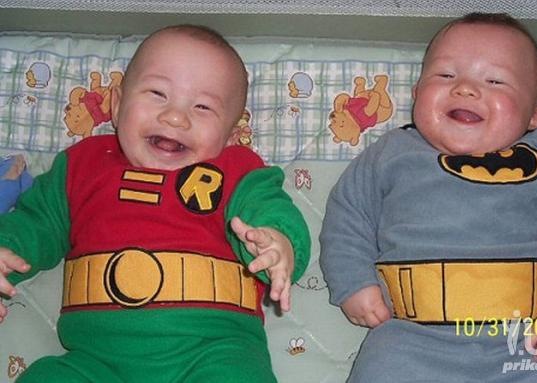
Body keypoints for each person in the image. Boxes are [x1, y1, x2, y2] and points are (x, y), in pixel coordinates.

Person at [0, 24, 311, 383]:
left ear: (231, 136)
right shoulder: (81, 166)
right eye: (157, 93)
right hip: (95, 361)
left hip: (212, 351)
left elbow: (269, 207)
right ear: (118, 105)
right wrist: (7, 248)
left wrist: (278, 242)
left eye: (203, 107)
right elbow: (37, 222)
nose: (175, 116)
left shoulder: (238, 171)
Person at [320, 13, 537, 382]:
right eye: (445, 75)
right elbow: (348, 216)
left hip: (527, 338)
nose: (465, 89)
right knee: (381, 365)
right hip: (410, 338)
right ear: (417, 94)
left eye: (494, 80)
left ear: (535, 116)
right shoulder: (391, 154)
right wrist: (354, 282)